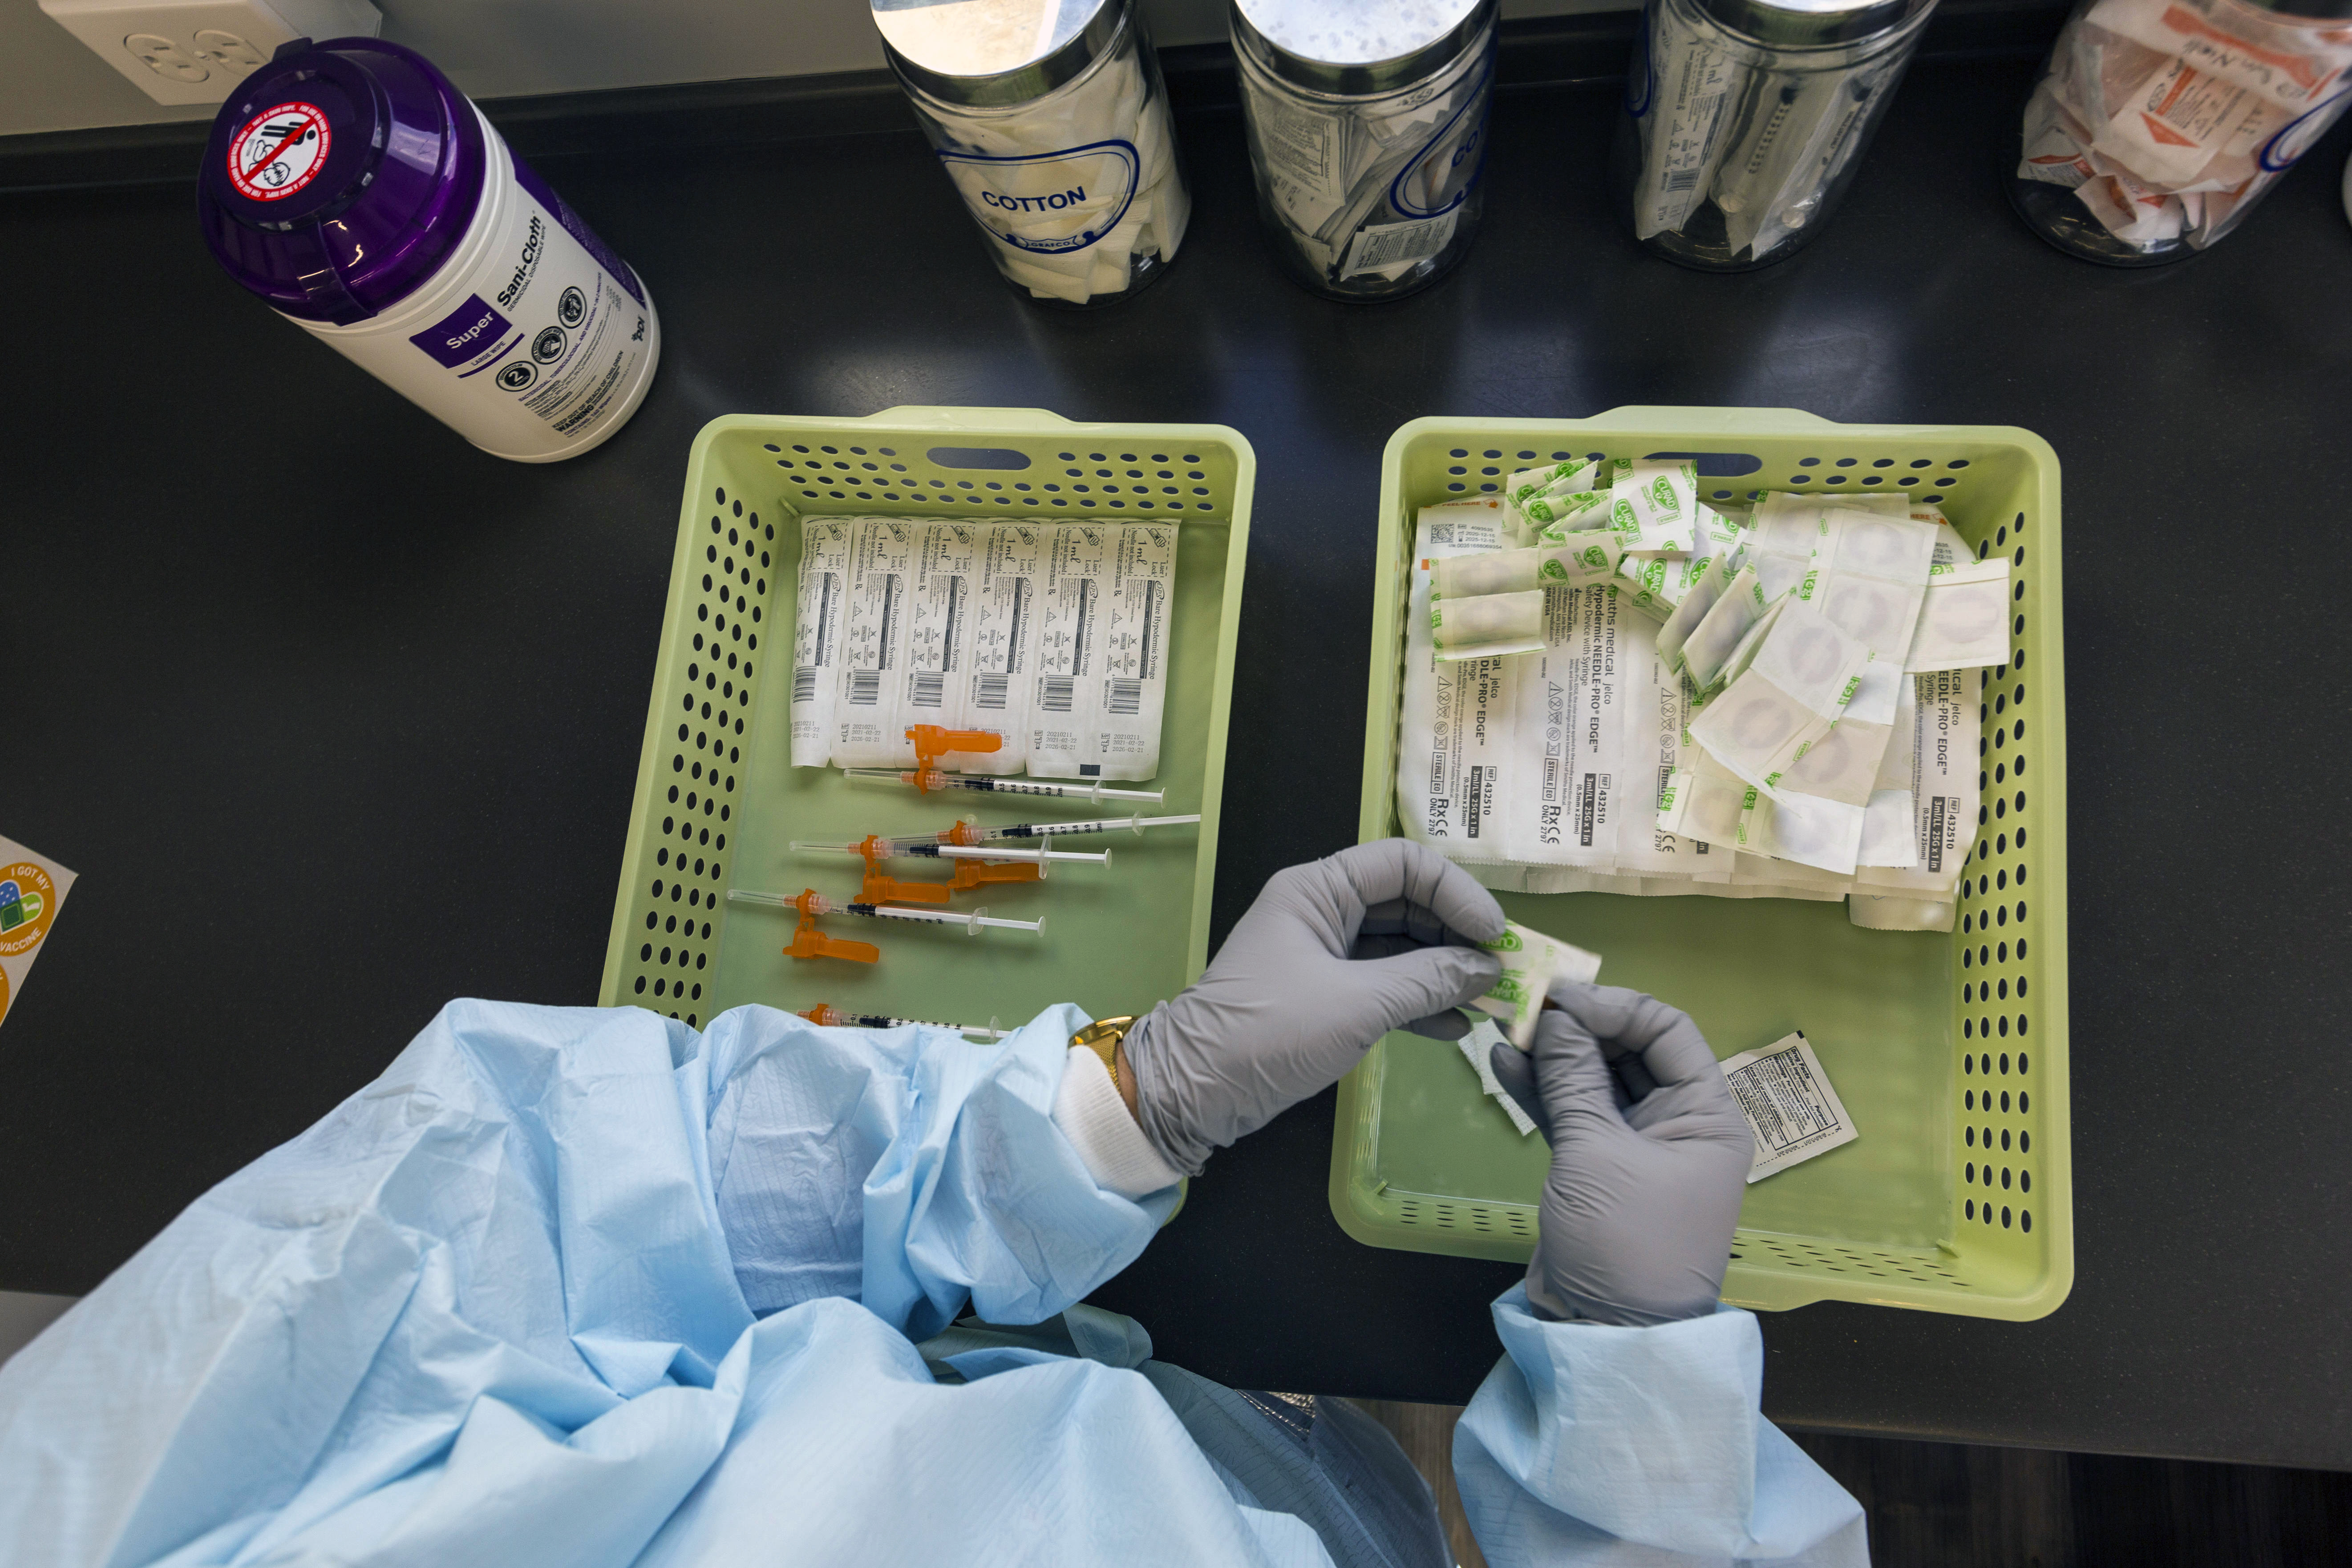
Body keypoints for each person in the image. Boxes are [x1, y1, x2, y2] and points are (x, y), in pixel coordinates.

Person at [0, 841, 1866, 1566]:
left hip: (1096, 1408)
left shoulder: (75, 1523)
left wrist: (1102, 1110)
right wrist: (1642, 1413)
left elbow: (515, 1199)